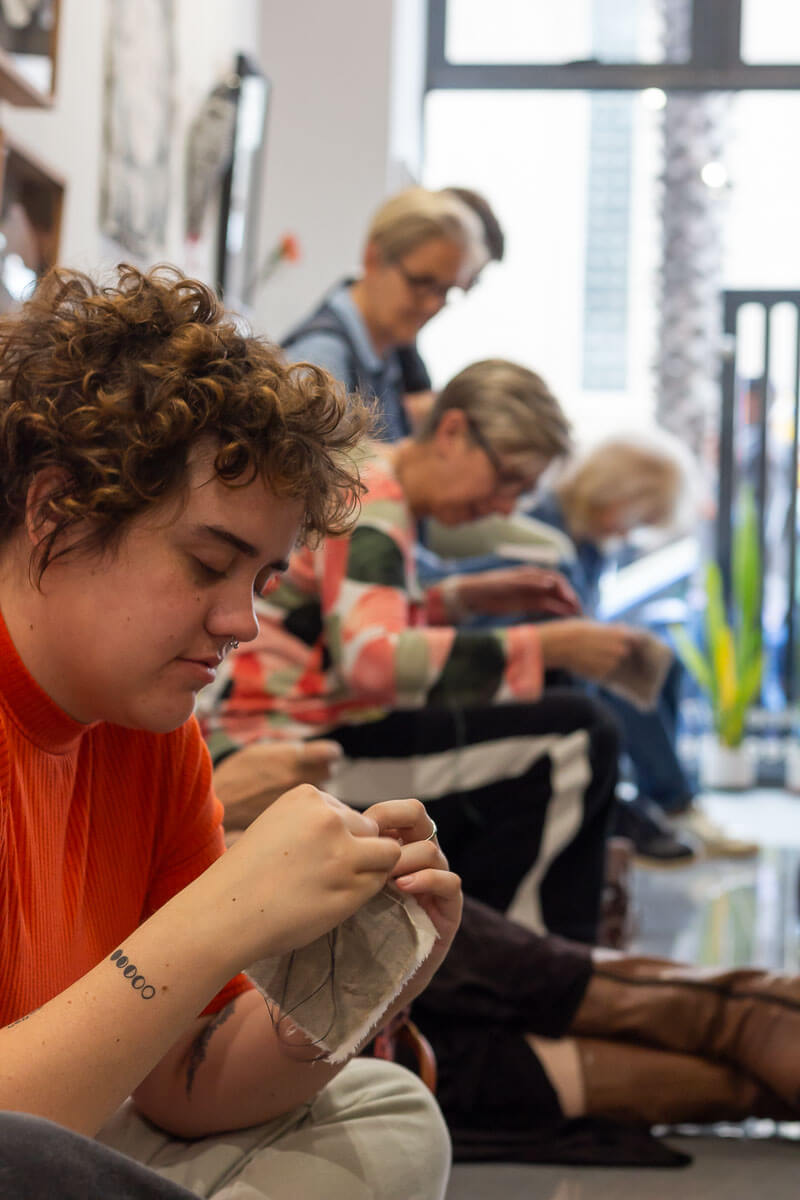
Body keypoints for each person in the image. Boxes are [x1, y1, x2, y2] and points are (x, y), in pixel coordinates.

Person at [0, 264, 461, 1199]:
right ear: (56, 511)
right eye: (209, 563)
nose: (241, 623)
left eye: (257, 581)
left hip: (83, 1141)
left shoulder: (153, 728)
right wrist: (216, 920)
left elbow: (183, 1082)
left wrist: (350, 982)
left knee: (389, 1114)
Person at [199, 358, 650, 946]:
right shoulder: (373, 498)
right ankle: (544, 961)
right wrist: (551, 644)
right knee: (578, 739)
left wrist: (460, 600)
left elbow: (337, 624)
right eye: (508, 477)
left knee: (563, 719)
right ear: (454, 432)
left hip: (308, 722)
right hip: (292, 748)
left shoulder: (377, 485)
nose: (506, 506)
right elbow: (372, 661)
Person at [529, 433, 758, 861]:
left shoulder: (590, 543)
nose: (631, 532)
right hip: (544, 667)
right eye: (639, 518)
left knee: (662, 662)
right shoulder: (547, 528)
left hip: (562, 657)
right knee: (629, 672)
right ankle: (675, 804)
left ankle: (669, 799)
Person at [281, 185, 484, 441]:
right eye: (421, 283)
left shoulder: (386, 350)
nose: (433, 305)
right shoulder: (321, 359)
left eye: (445, 291)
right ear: (373, 258)